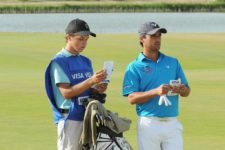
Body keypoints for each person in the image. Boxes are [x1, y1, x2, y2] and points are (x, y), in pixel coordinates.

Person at [122, 21, 191, 150]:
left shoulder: (173, 62)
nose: (157, 39)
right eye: (153, 36)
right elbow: (132, 98)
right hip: (149, 123)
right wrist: (155, 91)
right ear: (142, 38)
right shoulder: (134, 66)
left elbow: (187, 91)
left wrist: (183, 90)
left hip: (172, 123)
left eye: (159, 35)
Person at [45, 18, 107, 150]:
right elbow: (66, 93)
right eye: (80, 39)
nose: (84, 43)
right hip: (69, 118)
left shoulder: (86, 61)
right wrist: (91, 81)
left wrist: (96, 89)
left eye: (86, 39)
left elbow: (85, 89)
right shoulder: (59, 62)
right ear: (68, 37)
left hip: (87, 116)